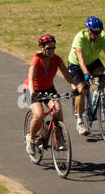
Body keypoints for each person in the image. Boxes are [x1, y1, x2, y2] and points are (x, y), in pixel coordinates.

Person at [23, 33, 76, 162]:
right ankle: (30, 138)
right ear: (42, 48)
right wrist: (34, 93)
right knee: (40, 115)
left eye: (53, 48)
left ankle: (58, 137)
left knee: (57, 109)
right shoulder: (36, 60)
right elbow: (31, 79)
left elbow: (67, 74)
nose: (51, 51)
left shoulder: (57, 59)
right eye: (48, 48)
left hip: (48, 89)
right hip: (32, 89)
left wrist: (74, 87)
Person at [68, 16, 105, 136]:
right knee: (81, 90)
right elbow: (81, 59)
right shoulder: (80, 38)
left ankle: (99, 95)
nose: (97, 35)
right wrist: (86, 74)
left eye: (99, 32)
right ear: (88, 30)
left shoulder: (103, 37)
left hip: (93, 61)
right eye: (94, 33)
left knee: (103, 75)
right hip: (77, 64)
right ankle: (80, 121)